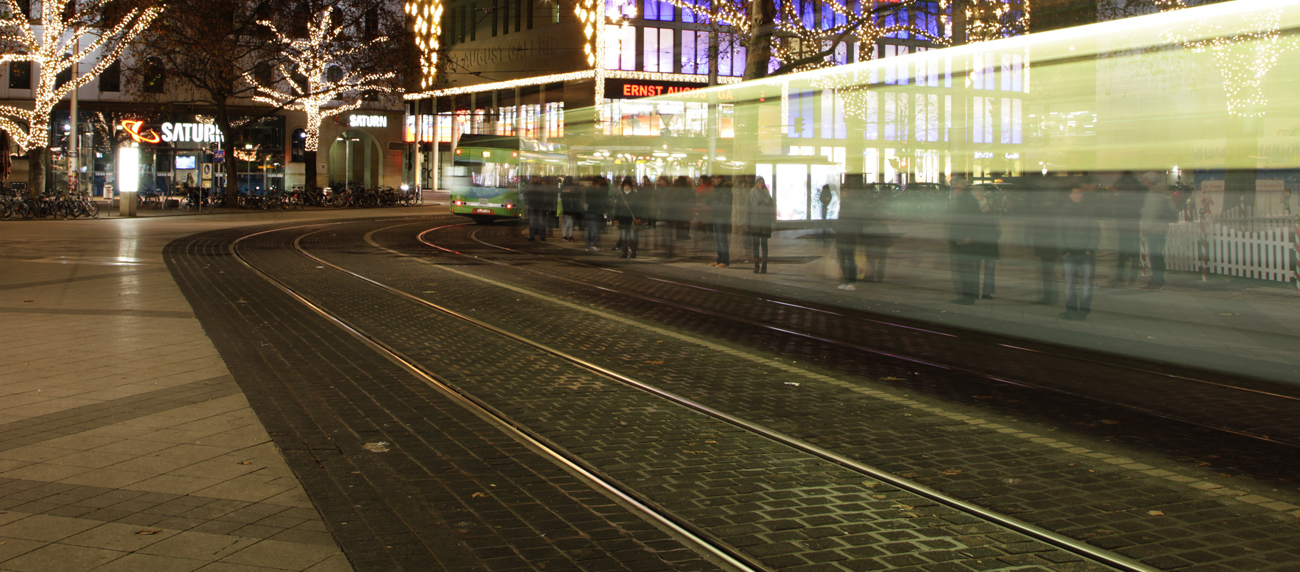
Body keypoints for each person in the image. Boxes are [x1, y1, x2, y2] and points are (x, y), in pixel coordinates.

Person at [1057, 182, 1102, 320]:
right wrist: (1064, 249)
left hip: (1085, 252)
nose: (1078, 195)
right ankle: (1071, 310)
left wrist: (1091, 249)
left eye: (1080, 192)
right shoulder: (1063, 210)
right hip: (1070, 252)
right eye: (1075, 193)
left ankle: (1083, 312)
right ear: (1070, 195)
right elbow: (1059, 230)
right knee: (1070, 285)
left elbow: (1095, 230)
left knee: (1087, 284)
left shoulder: (1090, 209)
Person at [1027, 179, 1064, 304]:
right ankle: (1050, 296)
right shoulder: (1051, 210)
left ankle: (1049, 297)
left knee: (1047, 272)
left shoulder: (1046, 211)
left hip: (1048, 246)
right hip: (1047, 245)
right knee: (1048, 271)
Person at [946, 176, 982, 304]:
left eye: (957, 188)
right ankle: (968, 296)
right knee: (964, 270)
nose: (955, 190)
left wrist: (968, 237)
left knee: (965, 270)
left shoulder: (967, 201)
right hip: (962, 240)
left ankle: (969, 297)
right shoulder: (964, 200)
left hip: (966, 241)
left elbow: (973, 220)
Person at [1139, 171, 1176, 290]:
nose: (1143, 181)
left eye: (1144, 179)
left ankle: (1157, 282)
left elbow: (1151, 213)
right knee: (1157, 256)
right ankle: (1158, 280)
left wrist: (1146, 228)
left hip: (1154, 229)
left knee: (1155, 257)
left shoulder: (1154, 194)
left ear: (1150, 180)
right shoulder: (1162, 193)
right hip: (1160, 229)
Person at [1109, 171, 1145, 286]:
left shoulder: (1121, 186)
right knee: (1135, 250)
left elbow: (1115, 200)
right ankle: (1133, 277)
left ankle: (1120, 278)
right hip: (1135, 220)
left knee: (1122, 251)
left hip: (1122, 220)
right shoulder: (1138, 187)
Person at [968, 182, 1002, 299]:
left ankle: (986, 292)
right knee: (975, 267)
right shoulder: (972, 204)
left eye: (979, 192)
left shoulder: (990, 203)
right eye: (976, 193)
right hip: (977, 239)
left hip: (990, 239)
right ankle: (974, 291)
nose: (978, 194)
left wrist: (997, 233)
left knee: (990, 267)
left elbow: (996, 219)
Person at [835, 179, 866, 290]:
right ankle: (848, 280)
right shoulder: (844, 202)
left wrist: (859, 235)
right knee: (843, 258)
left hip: (848, 234)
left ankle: (851, 281)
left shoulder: (850, 203)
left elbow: (856, 220)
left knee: (849, 258)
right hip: (842, 234)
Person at [748, 177, 777, 274]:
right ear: (756, 184)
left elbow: (772, 209)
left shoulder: (767, 195)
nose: (761, 184)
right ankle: (756, 265)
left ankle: (764, 266)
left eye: (762, 182)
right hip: (755, 222)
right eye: (759, 182)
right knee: (756, 245)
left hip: (765, 223)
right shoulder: (752, 194)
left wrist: (772, 222)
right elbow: (747, 209)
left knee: (764, 244)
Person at [613, 178, 642, 258]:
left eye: (627, 186)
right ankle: (624, 252)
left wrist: (639, 218)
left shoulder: (635, 195)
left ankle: (633, 252)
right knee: (624, 236)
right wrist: (616, 219)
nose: (626, 187)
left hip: (632, 219)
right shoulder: (621, 195)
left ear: (630, 186)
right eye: (625, 186)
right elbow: (617, 208)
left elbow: (638, 207)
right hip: (622, 218)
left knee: (633, 235)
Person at [709, 177, 734, 267]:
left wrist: (715, 205)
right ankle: (719, 259)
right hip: (716, 215)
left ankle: (725, 260)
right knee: (717, 239)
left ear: (719, 179)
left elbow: (725, 203)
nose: (713, 180)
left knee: (722, 239)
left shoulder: (725, 189)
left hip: (722, 216)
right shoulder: (718, 188)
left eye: (715, 179)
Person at [583, 177, 609, 251]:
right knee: (595, 230)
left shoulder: (588, 190)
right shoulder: (598, 192)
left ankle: (587, 246)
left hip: (589, 211)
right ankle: (594, 244)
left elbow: (586, 200)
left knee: (589, 230)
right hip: (595, 212)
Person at [524, 176, 547, 241]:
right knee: (532, 222)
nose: (535, 179)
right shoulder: (530, 186)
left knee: (540, 221)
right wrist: (528, 203)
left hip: (539, 206)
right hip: (532, 206)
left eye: (536, 177)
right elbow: (525, 195)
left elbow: (545, 196)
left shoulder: (541, 186)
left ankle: (541, 236)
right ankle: (532, 236)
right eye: (534, 177)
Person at [559, 177, 581, 241]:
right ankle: (566, 236)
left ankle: (567, 235)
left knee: (568, 222)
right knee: (569, 223)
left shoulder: (563, 190)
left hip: (565, 208)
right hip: (569, 208)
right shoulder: (571, 194)